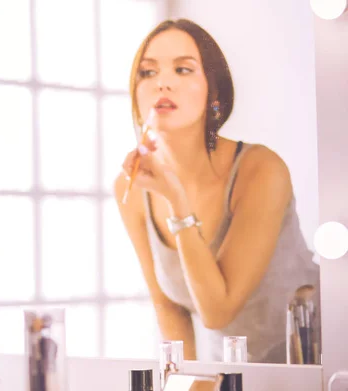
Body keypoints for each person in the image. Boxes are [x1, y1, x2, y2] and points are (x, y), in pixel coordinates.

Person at [114, 19, 319, 363]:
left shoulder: (261, 170)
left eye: (183, 69)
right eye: (148, 73)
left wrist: (177, 202)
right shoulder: (132, 186)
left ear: (214, 93)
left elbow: (217, 312)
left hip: (313, 360)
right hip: (230, 369)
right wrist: (188, 384)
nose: (162, 82)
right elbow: (169, 308)